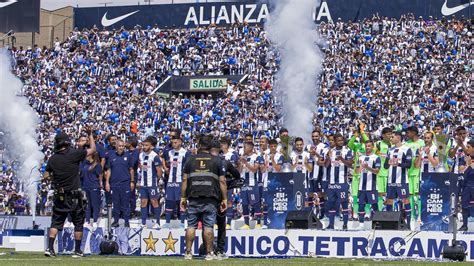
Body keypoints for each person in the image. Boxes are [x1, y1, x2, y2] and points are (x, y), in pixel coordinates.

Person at [43, 127, 96, 257]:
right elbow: (93, 150)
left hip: (60, 195)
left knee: (56, 222)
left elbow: (46, 175)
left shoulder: (52, 159)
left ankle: (50, 248)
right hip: (75, 195)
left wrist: (54, 177)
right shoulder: (74, 154)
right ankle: (77, 251)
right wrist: (90, 135)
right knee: (78, 223)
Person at [180, 135, 227, 260]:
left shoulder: (190, 159)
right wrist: (225, 199)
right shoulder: (216, 160)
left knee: (191, 226)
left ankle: (188, 253)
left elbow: (184, 179)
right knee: (208, 226)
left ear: (199, 145)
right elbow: (222, 182)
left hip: (194, 197)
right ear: (210, 146)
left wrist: (183, 198)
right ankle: (209, 253)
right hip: (210, 198)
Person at [210, 139, 241, 259]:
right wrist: (228, 179)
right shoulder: (224, 162)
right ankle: (219, 250)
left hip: (208, 197)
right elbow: (237, 175)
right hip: (220, 196)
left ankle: (209, 250)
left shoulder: (204, 162)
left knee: (209, 224)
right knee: (221, 224)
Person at [384, 131, 413, 229]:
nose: (390, 138)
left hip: (402, 181)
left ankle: (408, 224)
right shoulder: (390, 150)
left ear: (398, 138)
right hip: (390, 181)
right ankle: (389, 224)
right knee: (389, 201)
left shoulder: (406, 149)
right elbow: (385, 166)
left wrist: (398, 164)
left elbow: (409, 165)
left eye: (392, 137)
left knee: (406, 200)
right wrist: (388, 162)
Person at [324, 133, 353, 230]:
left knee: (344, 203)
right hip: (332, 182)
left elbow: (350, 165)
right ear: (335, 141)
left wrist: (342, 159)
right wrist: (328, 157)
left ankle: (345, 225)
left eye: (342, 140)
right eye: (339, 140)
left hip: (342, 182)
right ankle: (331, 225)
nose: (341, 142)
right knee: (331, 204)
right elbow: (326, 165)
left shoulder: (347, 151)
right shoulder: (331, 151)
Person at [104, 139, 134, 227]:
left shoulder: (128, 156)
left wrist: (132, 181)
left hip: (125, 183)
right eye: (120, 146)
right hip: (114, 184)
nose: (121, 148)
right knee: (116, 204)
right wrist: (107, 182)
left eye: (122, 146)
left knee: (125, 204)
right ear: (116, 146)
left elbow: (131, 170)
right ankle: (116, 221)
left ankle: (126, 222)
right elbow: (108, 170)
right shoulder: (111, 156)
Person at [163, 135, 189, 229]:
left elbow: (187, 167)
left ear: (180, 142)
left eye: (175, 142)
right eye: (172, 142)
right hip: (170, 181)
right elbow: (165, 161)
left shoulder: (185, 153)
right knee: (169, 202)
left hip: (180, 181)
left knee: (181, 202)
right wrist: (165, 168)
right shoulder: (169, 152)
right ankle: (167, 223)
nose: (173, 144)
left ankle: (182, 223)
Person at [138, 137, 163, 229]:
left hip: (152, 183)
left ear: (151, 146)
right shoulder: (141, 155)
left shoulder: (154, 156)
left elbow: (159, 171)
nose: (144, 147)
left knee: (154, 201)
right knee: (143, 202)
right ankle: (143, 222)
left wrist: (156, 181)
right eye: (143, 145)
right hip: (143, 184)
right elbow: (140, 167)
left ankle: (157, 222)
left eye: (146, 145)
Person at [355, 140, 380, 229]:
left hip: (372, 187)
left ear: (372, 147)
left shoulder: (376, 158)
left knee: (374, 206)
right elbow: (356, 171)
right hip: (361, 187)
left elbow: (377, 171)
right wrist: (361, 167)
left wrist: (367, 167)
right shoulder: (361, 158)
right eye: (366, 146)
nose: (367, 147)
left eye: (369, 146)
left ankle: (377, 224)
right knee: (361, 205)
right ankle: (361, 225)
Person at [238, 141, 263, 229]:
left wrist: (246, 163)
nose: (244, 149)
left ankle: (259, 223)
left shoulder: (256, 157)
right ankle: (246, 224)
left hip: (252, 182)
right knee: (244, 203)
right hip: (244, 182)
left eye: (245, 147)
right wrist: (240, 163)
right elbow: (239, 171)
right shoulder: (243, 157)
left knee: (255, 202)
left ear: (250, 148)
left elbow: (254, 170)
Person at [261, 139, 284, 227]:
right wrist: (266, 163)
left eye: (274, 146)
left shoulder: (280, 156)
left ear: (277, 146)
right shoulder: (264, 155)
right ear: (269, 146)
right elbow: (262, 170)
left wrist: (272, 160)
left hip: (276, 182)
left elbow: (278, 169)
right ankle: (266, 223)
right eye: (271, 146)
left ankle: (277, 222)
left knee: (277, 203)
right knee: (266, 203)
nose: (273, 148)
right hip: (267, 181)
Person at [404, 126, 425, 222]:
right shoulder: (406, 144)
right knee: (410, 195)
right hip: (408, 172)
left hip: (418, 172)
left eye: (408, 132)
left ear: (413, 132)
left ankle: (420, 216)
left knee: (418, 195)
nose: (407, 134)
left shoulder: (421, 143)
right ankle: (412, 216)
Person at [220, 137, 239, 229]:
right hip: (219, 182)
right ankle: (219, 222)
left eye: (223, 144)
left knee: (229, 201)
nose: (221, 146)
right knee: (219, 201)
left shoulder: (232, 155)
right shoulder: (218, 155)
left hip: (229, 181)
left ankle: (228, 222)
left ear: (227, 145)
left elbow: (233, 168)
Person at [80, 152, 102, 230]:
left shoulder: (97, 164)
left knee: (95, 205)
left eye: (87, 155)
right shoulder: (85, 164)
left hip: (94, 186)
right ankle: (87, 221)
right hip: (86, 186)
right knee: (87, 205)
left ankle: (95, 221)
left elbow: (99, 175)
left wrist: (100, 184)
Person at [375, 127, 393, 211]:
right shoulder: (378, 144)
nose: (390, 136)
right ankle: (379, 212)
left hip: (390, 174)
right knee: (379, 194)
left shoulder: (393, 145)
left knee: (390, 194)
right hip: (379, 173)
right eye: (388, 134)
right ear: (383, 135)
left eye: (391, 134)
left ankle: (389, 212)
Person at [459, 139, 474, 231]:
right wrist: (468, 165)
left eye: (469, 147)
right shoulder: (464, 157)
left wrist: (470, 163)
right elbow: (461, 170)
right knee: (464, 205)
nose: (467, 149)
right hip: (466, 185)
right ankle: (464, 225)